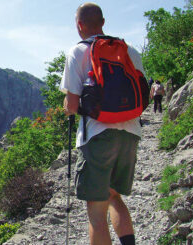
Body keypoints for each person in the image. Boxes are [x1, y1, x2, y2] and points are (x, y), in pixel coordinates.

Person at [59, 3, 143, 245]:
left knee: (96, 214)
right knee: (114, 196)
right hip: (130, 133)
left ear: (79, 25)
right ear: (103, 22)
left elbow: (73, 106)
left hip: (97, 136)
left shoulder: (77, 52)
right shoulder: (129, 50)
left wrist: (67, 105)